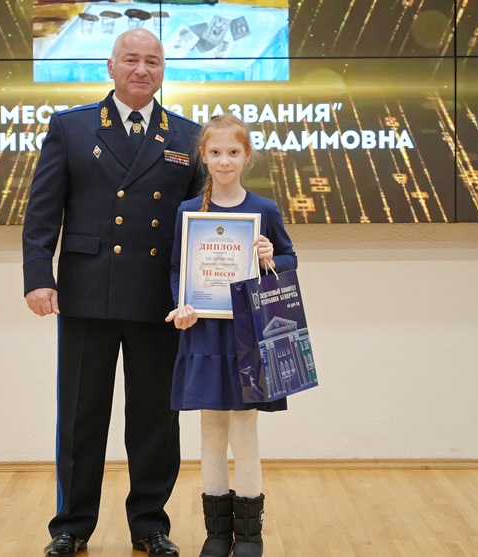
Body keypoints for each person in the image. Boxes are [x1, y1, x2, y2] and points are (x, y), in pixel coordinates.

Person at [22, 28, 202, 557]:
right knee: (81, 417)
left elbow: (200, 222)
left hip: (159, 299)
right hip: (87, 293)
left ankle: (150, 525)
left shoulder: (187, 136)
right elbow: (42, 211)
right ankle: (71, 526)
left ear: (163, 70)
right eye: (131, 59)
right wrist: (38, 275)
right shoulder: (72, 127)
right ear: (111, 66)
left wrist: (212, 280)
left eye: (153, 61)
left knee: (155, 420)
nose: (142, 69)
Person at [165, 114, 296, 557]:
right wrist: (182, 304)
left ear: (246, 156)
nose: (224, 160)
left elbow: (289, 262)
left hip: (248, 336)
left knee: (245, 431)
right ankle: (217, 534)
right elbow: (178, 270)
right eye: (216, 152)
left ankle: (250, 535)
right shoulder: (189, 212)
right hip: (203, 334)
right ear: (203, 156)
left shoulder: (264, 210)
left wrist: (268, 256)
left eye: (233, 152)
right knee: (211, 431)